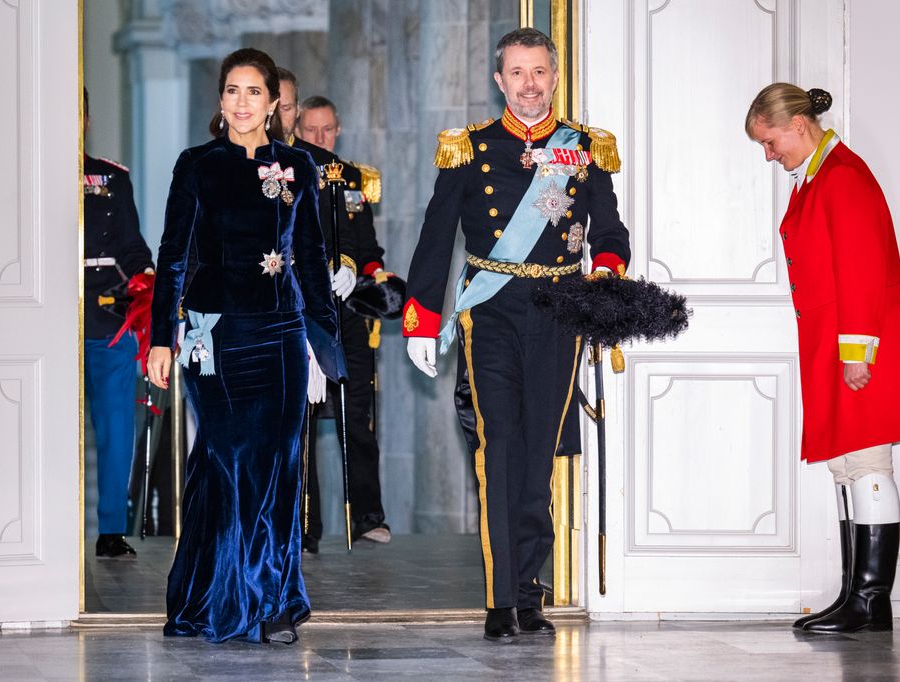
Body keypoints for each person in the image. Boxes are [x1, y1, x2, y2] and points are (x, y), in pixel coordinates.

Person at [403, 27, 630, 641]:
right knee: (498, 448)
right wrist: (421, 318)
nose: (529, 86)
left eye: (539, 73)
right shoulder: (468, 148)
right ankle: (502, 601)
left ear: (554, 77)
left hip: (560, 315)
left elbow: (610, 233)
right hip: (492, 312)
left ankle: (530, 592)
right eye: (518, 74)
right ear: (499, 81)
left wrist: (606, 276)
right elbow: (435, 236)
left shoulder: (586, 149)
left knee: (539, 453)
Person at [146, 48, 347, 644]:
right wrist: (163, 337)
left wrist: (322, 341)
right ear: (220, 100)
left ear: (273, 101)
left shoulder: (298, 167)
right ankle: (225, 599)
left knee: (280, 465)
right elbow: (172, 256)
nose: (241, 102)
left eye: (253, 91)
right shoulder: (198, 165)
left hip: (283, 333)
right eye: (231, 90)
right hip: (218, 335)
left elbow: (310, 258)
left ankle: (275, 600)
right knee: (229, 464)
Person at [746, 83, 900, 633]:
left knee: (867, 462)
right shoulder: (821, 175)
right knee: (848, 464)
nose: (769, 154)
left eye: (770, 141)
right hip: (844, 340)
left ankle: (872, 602)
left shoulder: (842, 177)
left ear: (798, 124)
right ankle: (857, 595)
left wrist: (855, 352)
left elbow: (863, 269)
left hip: (864, 341)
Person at [295, 93, 393, 547]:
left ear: (338, 129)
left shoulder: (353, 177)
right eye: (311, 129)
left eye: (327, 129)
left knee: (358, 414)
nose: (320, 138)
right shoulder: (290, 172)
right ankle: (305, 526)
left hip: (349, 310)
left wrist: (370, 272)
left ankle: (368, 516)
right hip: (303, 310)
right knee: (304, 421)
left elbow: (367, 244)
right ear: (297, 130)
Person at [82, 86, 154, 559]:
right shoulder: (22, 173)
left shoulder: (110, 178)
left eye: (78, 109)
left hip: (107, 317)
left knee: (114, 426)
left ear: (87, 117)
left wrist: (147, 275)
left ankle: (111, 528)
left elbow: (131, 245)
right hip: (46, 319)